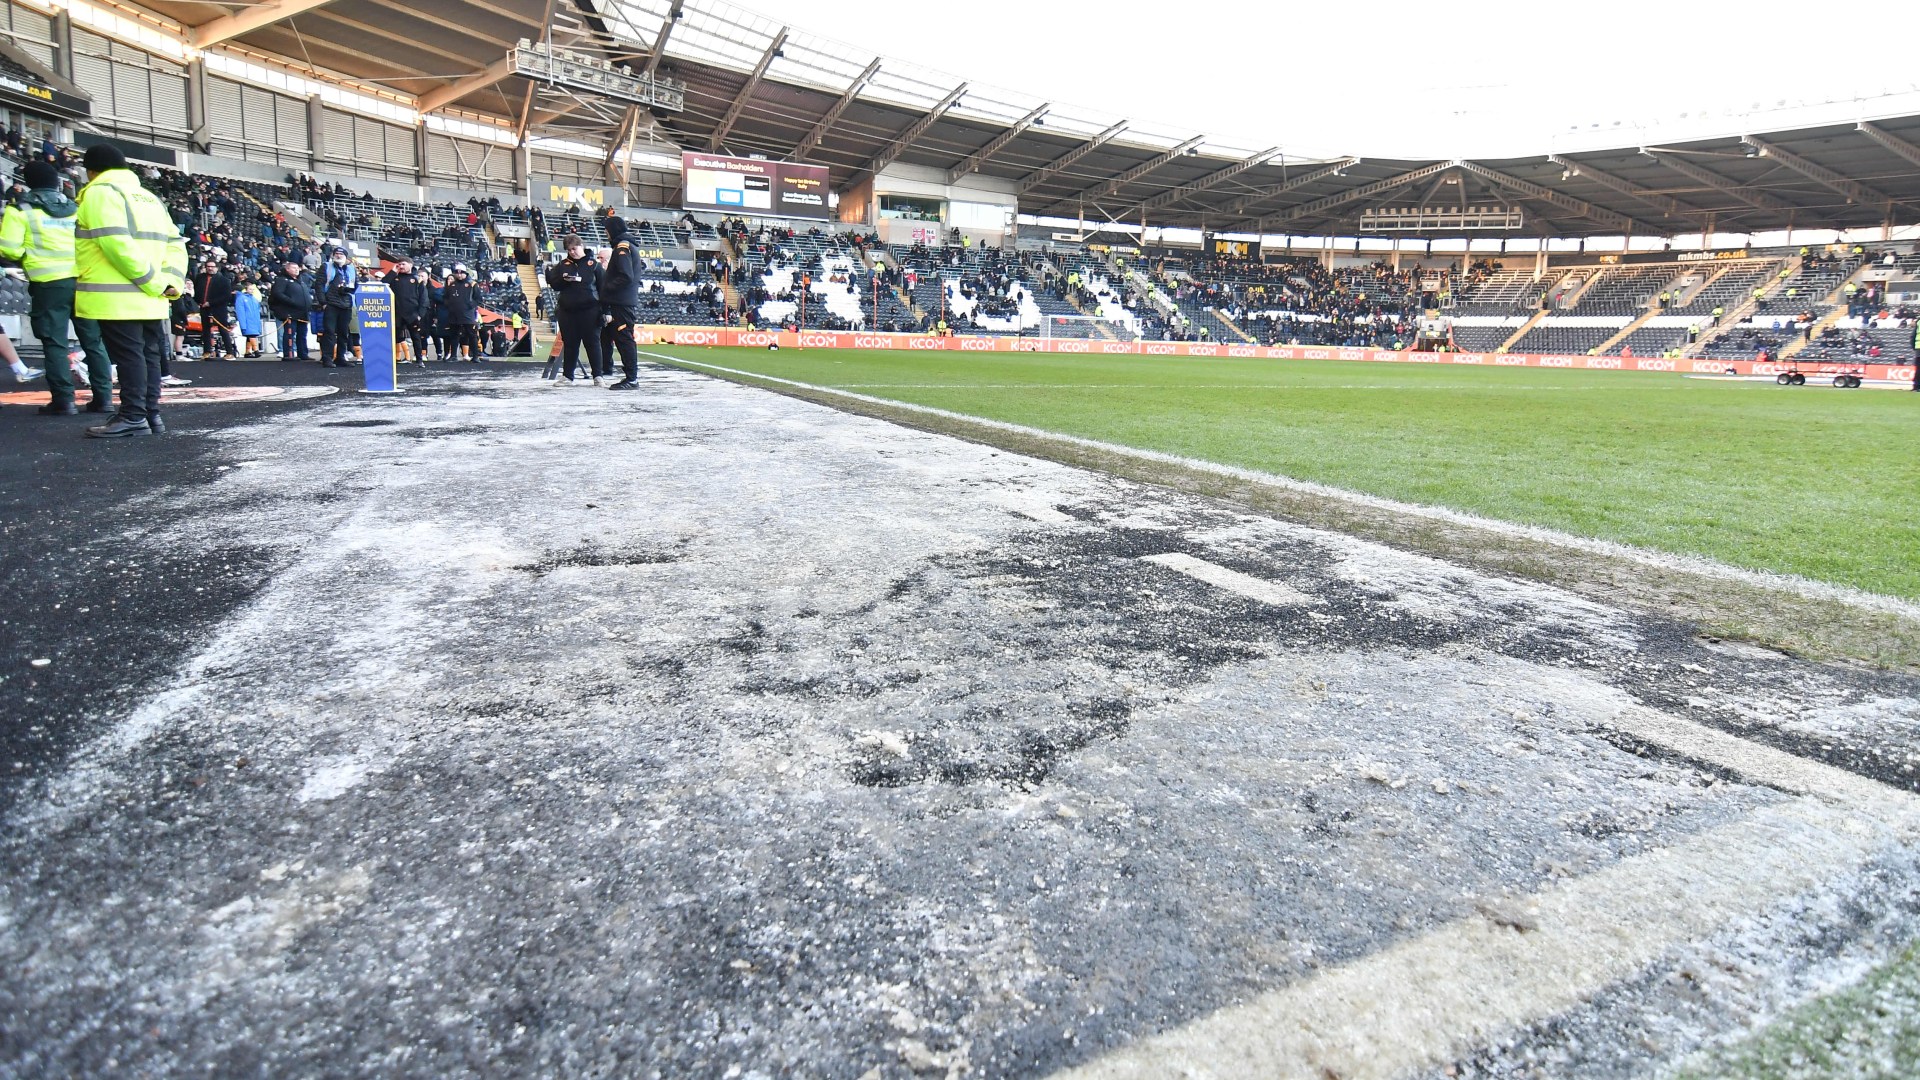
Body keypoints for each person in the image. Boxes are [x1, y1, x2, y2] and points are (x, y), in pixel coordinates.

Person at [73, 143, 185, 438]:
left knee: (129, 355)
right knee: (148, 354)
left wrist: (150, 280)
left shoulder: (99, 193)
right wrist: (168, 282)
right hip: (154, 296)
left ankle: (134, 416)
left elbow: (115, 244)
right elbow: (176, 244)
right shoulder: (149, 198)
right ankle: (150, 415)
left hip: (118, 296)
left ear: (91, 171)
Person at [1, 159, 109, 414]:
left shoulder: (21, 211)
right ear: (56, 182)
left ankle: (64, 401)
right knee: (93, 340)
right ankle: (103, 399)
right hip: (84, 280)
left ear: (28, 182)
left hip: (49, 284)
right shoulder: (75, 209)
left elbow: (9, 248)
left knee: (55, 342)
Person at [544, 235, 603, 385]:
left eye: (574, 249)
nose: (572, 252)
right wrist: (557, 278)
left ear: (581, 246)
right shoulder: (563, 264)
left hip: (590, 310)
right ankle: (568, 376)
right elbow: (555, 285)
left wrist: (606, 311)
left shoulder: (594, 264)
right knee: (570, 344)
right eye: (569, 250)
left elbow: (603, 289)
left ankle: (598, 376)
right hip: (568, 310)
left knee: (592, 343)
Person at [599, 217, 641, 389]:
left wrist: (607, 287)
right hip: (623, 302)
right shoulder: (624, 246)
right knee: (622, 339)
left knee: (624, 339)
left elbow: (626, 275)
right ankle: (630, 377)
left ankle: (631, 379)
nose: (606, 234)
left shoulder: (622, 247)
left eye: (607, 230)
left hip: (621, 302)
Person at [316, 247, 357, 367]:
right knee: (329, 332)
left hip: (347, 304)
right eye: (336, 254)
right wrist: (323, 302)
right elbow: (319, 285)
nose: (338, 256)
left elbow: (356, 285)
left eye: (341, 254)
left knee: (344, 333)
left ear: (345, 256)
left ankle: (341, 357)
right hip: (331, 304)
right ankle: (327, 358)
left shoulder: (351, 269)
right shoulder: (326, 267)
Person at [193, 254, 236, 360]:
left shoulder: (224, 280)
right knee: (206, 330)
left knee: (223, 329)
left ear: (217, 268)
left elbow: (226, 296)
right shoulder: (199, 278)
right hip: (204, 308)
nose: (210, 268)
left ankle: (229, 352)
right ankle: (207, 351)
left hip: (219, 308)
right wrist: (199, 301)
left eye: (212, 266)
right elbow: (197, 291)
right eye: (208, 266)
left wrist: (211, 303)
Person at [268, 260, 311, 362]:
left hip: (302, 312)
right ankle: (289, 354)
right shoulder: (282, 280)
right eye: (294, 268)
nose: (297, 270)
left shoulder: (301, 280)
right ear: (287, 269)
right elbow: (277, 293)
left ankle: (303, 353)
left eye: (297, 268)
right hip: (290, 312)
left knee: (302, 334)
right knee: (290, 334)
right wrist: (291, 301)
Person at [388, 258, 427, 364]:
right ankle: (395, 358)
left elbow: (423, 299)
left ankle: (419, 359)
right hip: (397, 313)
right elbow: (383, 285)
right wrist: (392, 271)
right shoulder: (394, 278)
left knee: (415, 337)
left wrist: (420, 314)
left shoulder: (417, 279)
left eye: (403, 264)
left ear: (410, 265)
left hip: (412, 314)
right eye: (399, 264)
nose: (400, 266)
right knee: (395, 337)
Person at [441, 263, 481, 362]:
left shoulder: (472, 284)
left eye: (461, 273)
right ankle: (453, 355)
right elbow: (445, 297)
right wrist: (449, 305)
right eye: (457, 273)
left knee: (472, 335)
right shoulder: (452, 285)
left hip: (467, 314)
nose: (459, 275)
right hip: (454, 314)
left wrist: (470, 305)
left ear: (465, 273)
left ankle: (475, 356)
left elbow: (478, 299)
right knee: (454, 335)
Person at [234, 274, 263, 357]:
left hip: (253, 320)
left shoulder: (254, 299)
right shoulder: (241, 298)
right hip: (248, 320)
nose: (252, 291)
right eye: (250, 289)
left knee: (250, 336)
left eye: (253, 289)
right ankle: (256, 350)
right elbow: (240, 312)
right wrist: (243, 324)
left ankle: (248, 352)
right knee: (252, 336)